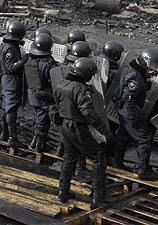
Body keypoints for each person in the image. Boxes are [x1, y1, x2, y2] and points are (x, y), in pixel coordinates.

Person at [54, 57, 108, 205]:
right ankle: (99, 196)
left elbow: (56, 106)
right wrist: (103, 129)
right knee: (98, 157)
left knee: (69, 158)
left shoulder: (61, 84)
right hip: (78, 127)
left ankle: (63, 192)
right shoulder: (81, 88)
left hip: (65, 126)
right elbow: (88, 113)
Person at [115, 48, 158, 180]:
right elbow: (128, 97)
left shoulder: (134, 70)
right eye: (153, 64)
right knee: (144, 138)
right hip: (129, 110)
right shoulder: (135, 76)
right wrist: (135, 115)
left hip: (123, 109)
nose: (154, 67)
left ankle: (117, 162)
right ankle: (143, 170)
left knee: (123, 135)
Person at [25, 31, 58, 151]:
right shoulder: (49, 63)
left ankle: (35, 141)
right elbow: (54, 81)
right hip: (44, 97)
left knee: (37, 118)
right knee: (43, 122)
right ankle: (40, 145)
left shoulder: (29, 60)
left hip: (32, 95)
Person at [0, 19, 28, 147]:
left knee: (6, 108)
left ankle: (4, 133)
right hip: (11, 81)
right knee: (10, 109)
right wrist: (22, 62)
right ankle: (12, 138)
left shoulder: (8, 46)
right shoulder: (10, 49)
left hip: (8, 81)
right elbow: (10, 67)